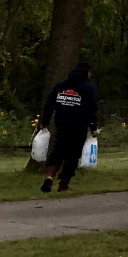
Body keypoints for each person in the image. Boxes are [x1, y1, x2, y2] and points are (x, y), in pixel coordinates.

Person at [40, 62, 98, 194]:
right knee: (72, 156)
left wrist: (45, 121)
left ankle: (49, 176)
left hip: (61, 126)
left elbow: (49, 104)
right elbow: (91, 109)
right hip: (78, 127)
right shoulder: (89, 88)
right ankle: (63, 184)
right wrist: (93, 126)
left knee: (57, 152)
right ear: (86, 72)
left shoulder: (61, 86)